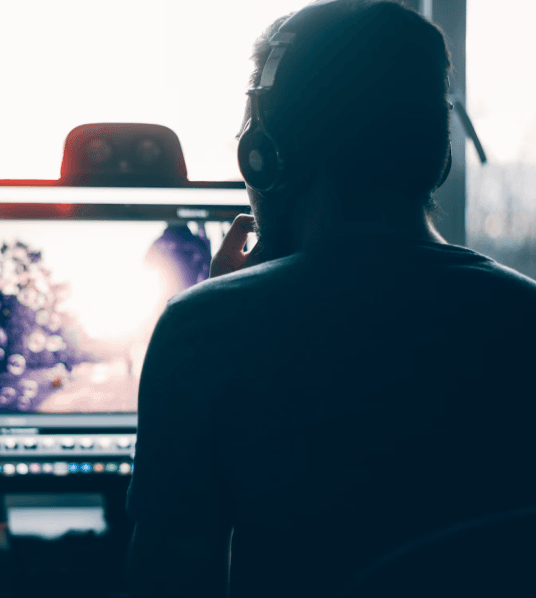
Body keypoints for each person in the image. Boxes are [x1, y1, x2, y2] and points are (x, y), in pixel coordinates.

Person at [126, 1, 536, 596]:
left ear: (263, 156)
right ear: (437, 153)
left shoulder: (206, 331)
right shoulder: (524, 319)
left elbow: (168, 583)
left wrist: (222, 305)